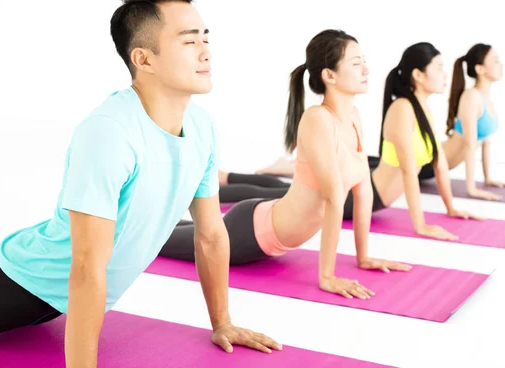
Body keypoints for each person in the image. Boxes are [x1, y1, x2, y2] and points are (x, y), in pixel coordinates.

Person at [0, 0, 280, 366]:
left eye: (205, 38)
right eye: (189, 41)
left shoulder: (203, 127)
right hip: (21, 281)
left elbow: (210, 235)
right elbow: (88, 268)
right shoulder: (110, 132)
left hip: (64, 302)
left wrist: (222, 322)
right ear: (144, 59)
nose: (206, 51)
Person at [161, 29, 412, 300]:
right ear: (329, 75)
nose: (366, 68)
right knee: (157, 238)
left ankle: (153, 203)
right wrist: (327, 277)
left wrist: (364, 258)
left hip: (266, 223)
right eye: (355, 62)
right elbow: (334, 199)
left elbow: (363, 192)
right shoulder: (318, 119)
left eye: (364, 60)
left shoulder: (353, 117)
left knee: (168, 226)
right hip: (252, 233)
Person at [372, 42, 481, 240]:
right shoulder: (403, 108)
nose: (444, 74)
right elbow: (408, 171)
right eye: (438, 68)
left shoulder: (422, 109)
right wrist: (421, 226)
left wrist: (451, 208)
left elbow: (440, 164)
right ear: (418, 75)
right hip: (365, 197)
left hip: (377, 195)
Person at [416, 43, 505, 200]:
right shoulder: (471, 97)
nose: (500, 64)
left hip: (438, 166)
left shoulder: (486, 101)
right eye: (495, 60)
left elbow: (484, 142)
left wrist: (488, 179)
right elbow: (469, 144)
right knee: (380, 168)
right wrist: (471, 189)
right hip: (427, 161)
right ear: (480, 69)